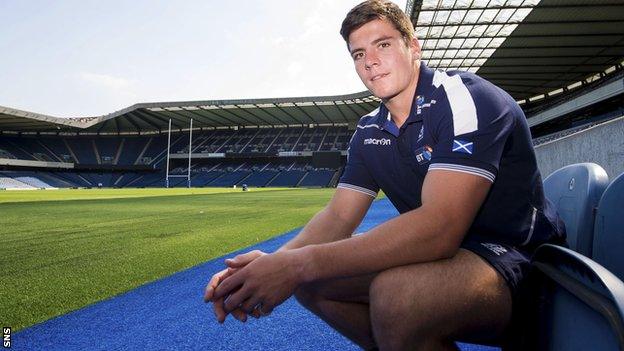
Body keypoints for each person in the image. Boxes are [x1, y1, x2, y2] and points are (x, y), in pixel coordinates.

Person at [204, 1, 566, 350]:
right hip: (454, 256)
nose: (370, 62)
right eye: (358, 54)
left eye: (383, 45)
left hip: (523, 261)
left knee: (396, 296)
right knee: (314, 284)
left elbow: (440, 228)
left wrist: (297, 264)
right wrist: (273, 264)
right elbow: (339, 216)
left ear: (414, 47)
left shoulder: (463, 99)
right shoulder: (368, 130)